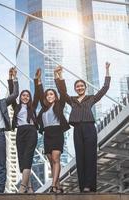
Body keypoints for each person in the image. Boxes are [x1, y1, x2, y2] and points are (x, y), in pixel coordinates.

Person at [55, 63, 111, 192]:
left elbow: (105, 88)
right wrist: (59, 75)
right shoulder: (72, 100)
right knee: (80, 157)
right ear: (75, 89)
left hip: (89, 128)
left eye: (81, 86)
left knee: (90, 156)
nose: (79, 88)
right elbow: (62, 92)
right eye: (77, 86)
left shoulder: (91, 98)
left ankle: (89, 186)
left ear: (85, 87)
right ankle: (82, 186)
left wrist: (107, 70)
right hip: (77, 130)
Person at [37, 66, 70, 193]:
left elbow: (63, 91)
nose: (49, 96)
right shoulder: (44, 108)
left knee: (56, 159)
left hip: (57, 133)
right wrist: (38, 80)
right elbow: (40, 93)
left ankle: (53, 186)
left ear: (55, 96)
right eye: (47, 95)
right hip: (47, 134)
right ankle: (59, 185)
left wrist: (59, 76)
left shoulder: (59, 105)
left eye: (51, 94)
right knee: (51, 162)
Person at [8, 68, 42, 193]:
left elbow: (38, 95)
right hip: (20, 132)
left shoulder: (33, 107)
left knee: (28, 157)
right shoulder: (16, 106)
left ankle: (22, 187)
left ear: (30, 98)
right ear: (21, 97)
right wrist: (12, 77)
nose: (25, 97)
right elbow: (12, 93)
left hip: (31, 131)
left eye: (27, 96)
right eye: (23, 95)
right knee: (22, 160)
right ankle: (30, 188)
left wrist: (37, 80)